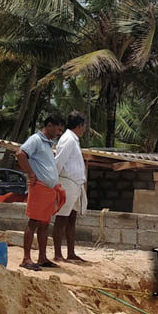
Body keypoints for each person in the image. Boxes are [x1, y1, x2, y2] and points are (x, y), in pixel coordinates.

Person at [16, 114, 66, 270]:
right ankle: (26, 258)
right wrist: (31, 174)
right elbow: (20, 154)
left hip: (48, 189)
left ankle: (42, 257)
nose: (59, 133)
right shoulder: (36, 139)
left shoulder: (48, 144)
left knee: (44, 224)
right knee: (33, 222)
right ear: (49, 125)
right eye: (58, 129)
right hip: (39, 187)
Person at [52, 111, 88, 262]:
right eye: (83, 126)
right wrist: (54, 183)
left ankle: (71, 252)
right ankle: (58, 253)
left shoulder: (73, 140)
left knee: (72, 218)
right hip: (67, 183)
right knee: (61, 219)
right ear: (79, 125)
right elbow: (58, 161)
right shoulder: (68, 139)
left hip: (75, 184)